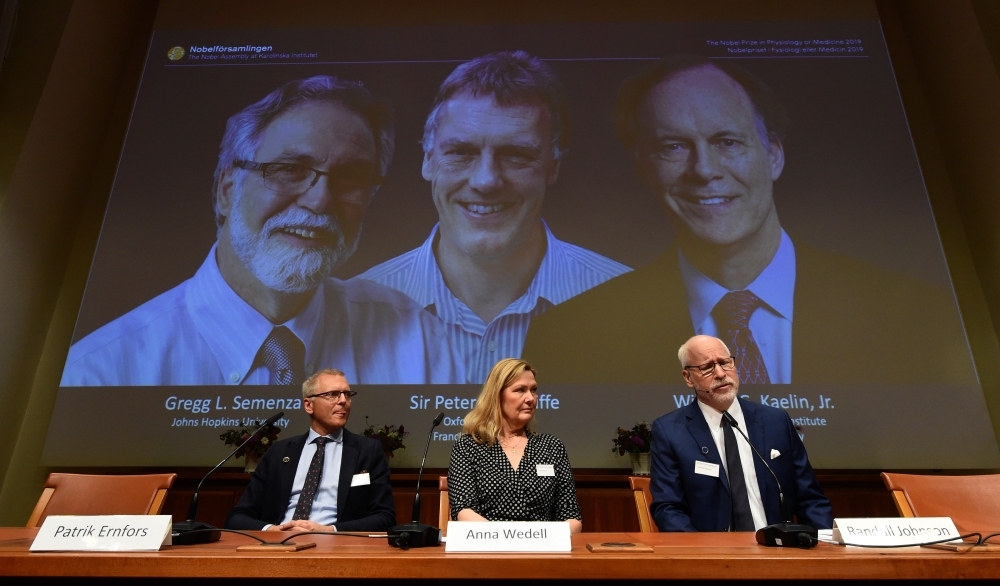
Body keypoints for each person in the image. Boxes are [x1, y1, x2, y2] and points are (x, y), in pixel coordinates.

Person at [522, 55, 972, 384]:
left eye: (728, 141)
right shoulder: (574, 337)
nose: (704, 170)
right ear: (644, 169)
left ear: (773, 155)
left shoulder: (917, 316)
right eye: (673, 147)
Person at [61, 75, 462, 386]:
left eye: (350, 179)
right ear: (226, 190)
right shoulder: (102, 369)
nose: (320, 200)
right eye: (289, 170)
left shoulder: (418, 342)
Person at [359, 51, 629, 383]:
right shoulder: (354, 308)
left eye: (516, 155)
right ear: (428, 160)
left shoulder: (630, 302)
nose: (486, 181)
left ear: (553, 166)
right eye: (461, 152)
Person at [650, 335, 832, 532]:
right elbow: (668, 508)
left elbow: (811, 498)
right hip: (712, 553)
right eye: (707, 367)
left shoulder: (775, 421)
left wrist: (824, 545)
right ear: (688, 378)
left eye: (725, 363)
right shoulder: (670, 431)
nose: (720, 373)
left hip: (776, 549)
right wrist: (702, 553)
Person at [226, 368, 395, 532]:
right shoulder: (280, 451)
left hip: (336, 546)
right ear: (309, 405)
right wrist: (272, 530)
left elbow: (385, 516)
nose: (343, 400)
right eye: (333, 394)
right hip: (279, 543)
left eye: (347, 394)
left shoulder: (368, 451)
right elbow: (238, 516)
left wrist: (330, 531)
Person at [447, 358, 582, 533]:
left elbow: (571, 517)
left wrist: (542, 539)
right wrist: (506, 539)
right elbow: (464, 511)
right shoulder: (469, 446)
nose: (530, 398)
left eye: (533, 390)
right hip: (487, 549)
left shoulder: (552, 447)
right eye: (520, 390)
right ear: (497, 395)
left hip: (542, 550)